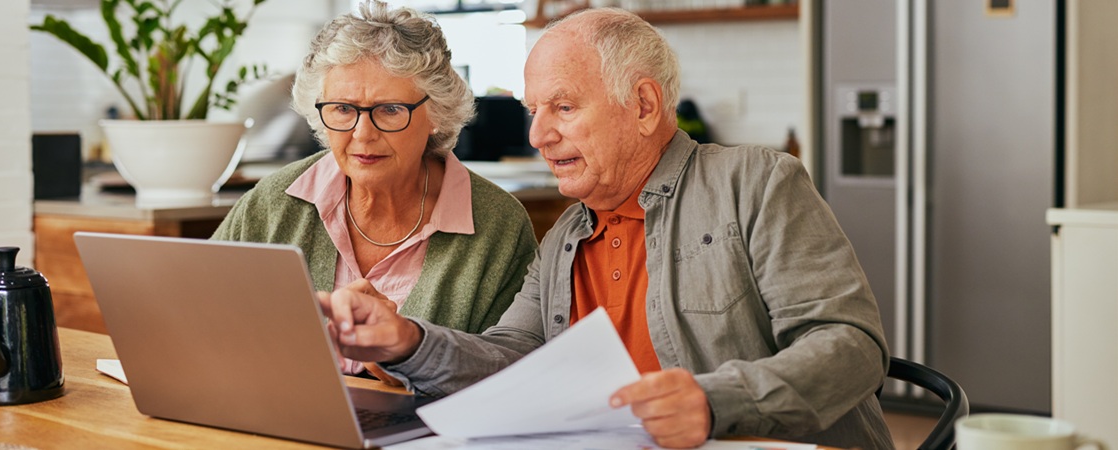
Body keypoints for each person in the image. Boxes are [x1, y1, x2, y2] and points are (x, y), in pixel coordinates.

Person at [320, 7, 895, 450]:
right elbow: (513, 360)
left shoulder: (755, 183)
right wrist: (408, 342)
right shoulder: (567, 233)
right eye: (532, 111)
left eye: (563, 108)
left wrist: (715, 401)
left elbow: (851, 349)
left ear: (644, 106)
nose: (537, 136)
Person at [211, 1, 538, 381]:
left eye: (390, 110)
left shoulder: (498, 226)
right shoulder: (273, 201)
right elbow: (199, 311)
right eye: (343, 109)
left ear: (437, 114)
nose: (363, 135)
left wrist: (402, 356)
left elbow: (506, 373)